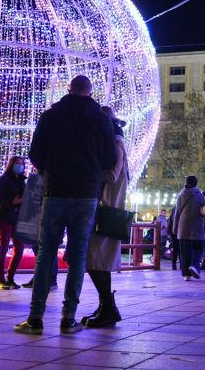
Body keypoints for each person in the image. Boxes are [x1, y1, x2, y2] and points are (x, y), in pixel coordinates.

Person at [15, 74, 117, 336]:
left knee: (45, 253)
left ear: (69, 90)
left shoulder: (51, 116)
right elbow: (109, 159)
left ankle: (35, 318)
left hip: (55, 191)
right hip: (86, 195)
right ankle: (68, 318)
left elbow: (35, 154)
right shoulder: (101, 120)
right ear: (90, 92)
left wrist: (52, 167)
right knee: (78, 256)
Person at [80, 106, 129, 329]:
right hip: (102, 208)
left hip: (107, 209)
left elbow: (111, 175)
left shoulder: (116, 144)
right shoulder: (111, 143)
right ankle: (106, 306)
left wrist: (85, 168)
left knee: (95, 260)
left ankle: (108, 308)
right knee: (96, 261)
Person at [0, 157, 27, 290]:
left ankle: (10, 277)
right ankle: (1, 279)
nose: (20, 166)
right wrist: (11, 201)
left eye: (22, 164)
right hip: (5, 217)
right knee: (3, 247)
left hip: (18, 218)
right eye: (17, 163)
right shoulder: (4, 179)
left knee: (20, 247)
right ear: (11, 164)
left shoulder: (22, 181)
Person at [174, 175, 205, 280]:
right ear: (196, 183)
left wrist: (175, 228)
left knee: (184, 252)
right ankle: (194, 265)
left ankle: (186, 275)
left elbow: (177, 213)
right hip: (197, 227)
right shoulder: (200, 196)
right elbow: (203, 212)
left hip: (183, 227)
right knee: (198, 248)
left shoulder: (180, 195)